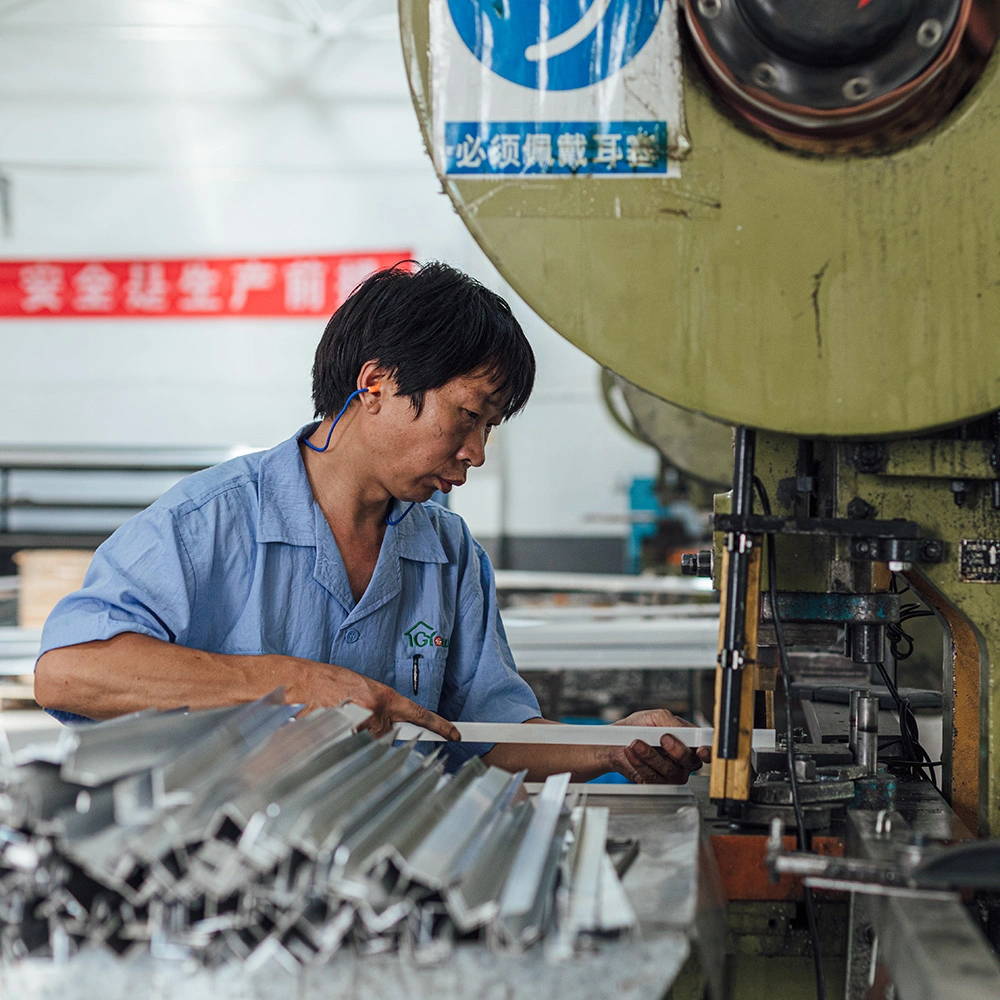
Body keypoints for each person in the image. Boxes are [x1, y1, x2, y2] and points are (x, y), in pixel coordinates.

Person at [34, 262, 710, 784]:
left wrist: (609, 742)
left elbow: (482, 732)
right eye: (468, 417)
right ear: (377, 385)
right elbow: (71, 673)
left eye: (489, 428)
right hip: (211, 874)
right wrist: (290, 685)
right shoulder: (208, 524)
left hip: (376, 877)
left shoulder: (447, 554)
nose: (475, 452)